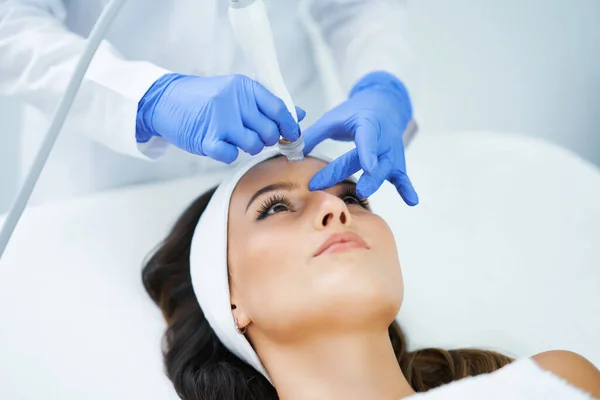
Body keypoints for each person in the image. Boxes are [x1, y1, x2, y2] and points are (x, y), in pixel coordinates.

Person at [141, 151, 600, 399]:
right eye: (276, 207)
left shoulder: (552, 383)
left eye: (355, 199)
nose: (334, 207)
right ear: (229, 298)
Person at [0, 0, 418, 206]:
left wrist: (382, 85)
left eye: (349, 203)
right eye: (347, 205)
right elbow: (12, 27)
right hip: (108, 178)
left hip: (282, 153)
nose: (338, 213)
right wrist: (146, 99)